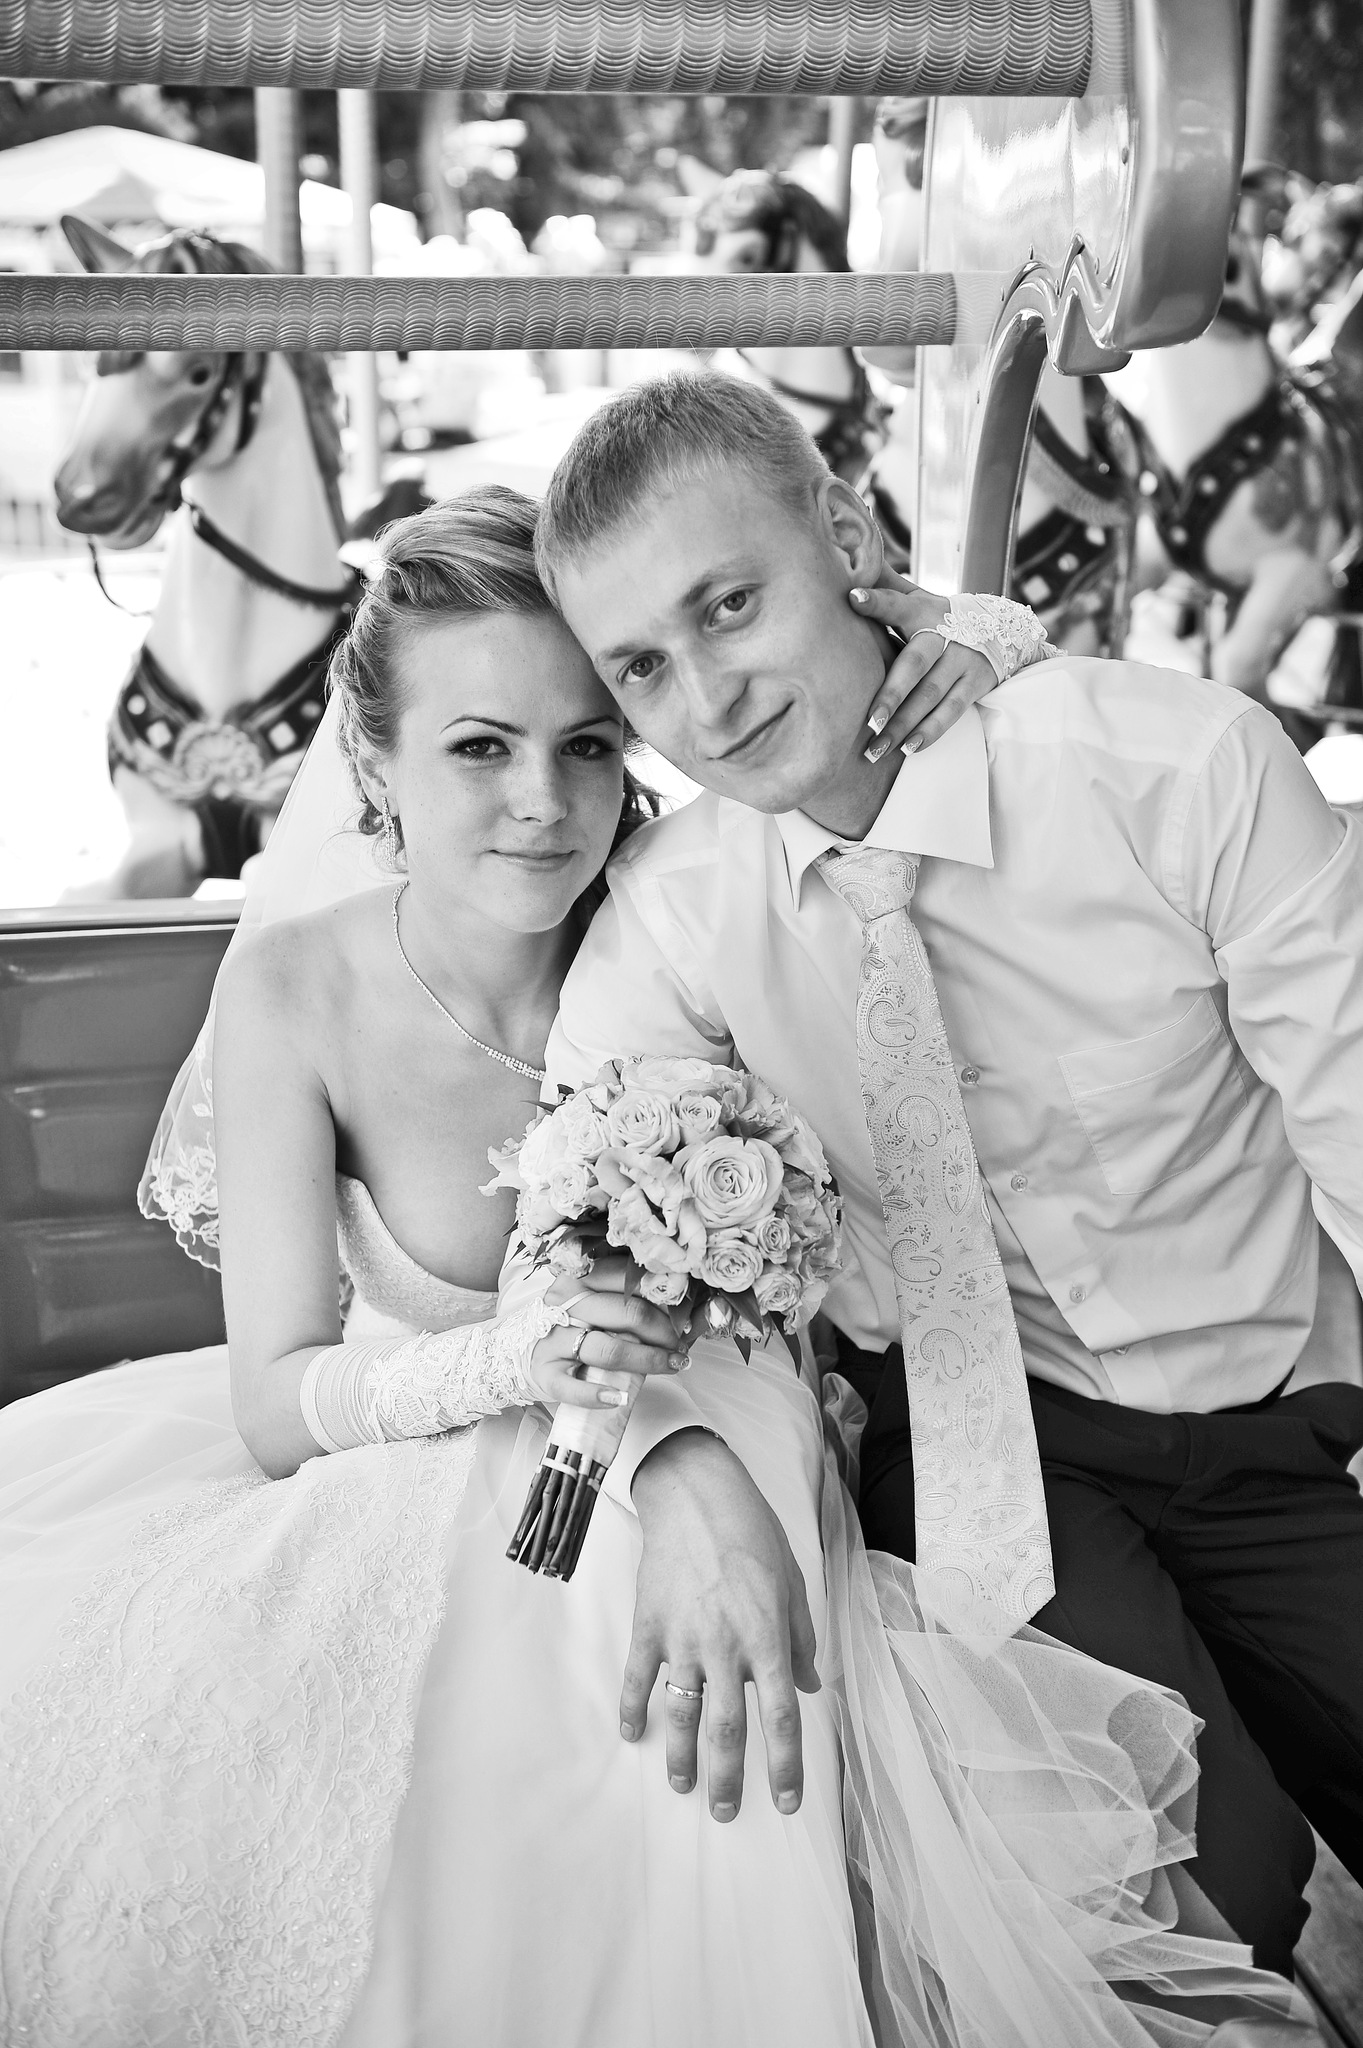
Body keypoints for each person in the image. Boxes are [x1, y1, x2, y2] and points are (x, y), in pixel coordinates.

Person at [0, 485, 1302, 2046]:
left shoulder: (689, 906)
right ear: (374, 761)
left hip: (787, 1422)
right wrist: (534, 1371)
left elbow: (844, 713)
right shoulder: (297, 989)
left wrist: (979, 637)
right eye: (479, 747)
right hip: (426, 1466)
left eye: (588, 745)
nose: (544, 804)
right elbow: (274, 1400)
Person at [529, 369, 1363, 1984]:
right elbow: (579, 1234)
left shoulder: (1174, 769)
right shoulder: (675, 917)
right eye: (641, 667)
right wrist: (673, 1463)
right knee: (1201, 1885)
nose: (706, 699)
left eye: (729, 606)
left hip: (1281, 1425)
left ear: (848, 539)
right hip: (992, 1462)